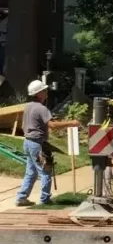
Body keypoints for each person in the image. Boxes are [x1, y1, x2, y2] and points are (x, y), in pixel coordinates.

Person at [15, 79, 78, 207]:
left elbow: (23, 125)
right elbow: (53, 125)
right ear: (38, 93)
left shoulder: (27, 107)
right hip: (37, 144)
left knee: (31, 172)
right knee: (45, 171)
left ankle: (21, 198)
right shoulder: (41, 109)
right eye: (44, 90)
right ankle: (45, 199)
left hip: (27, 142)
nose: (46, 92)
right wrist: (71, 123)